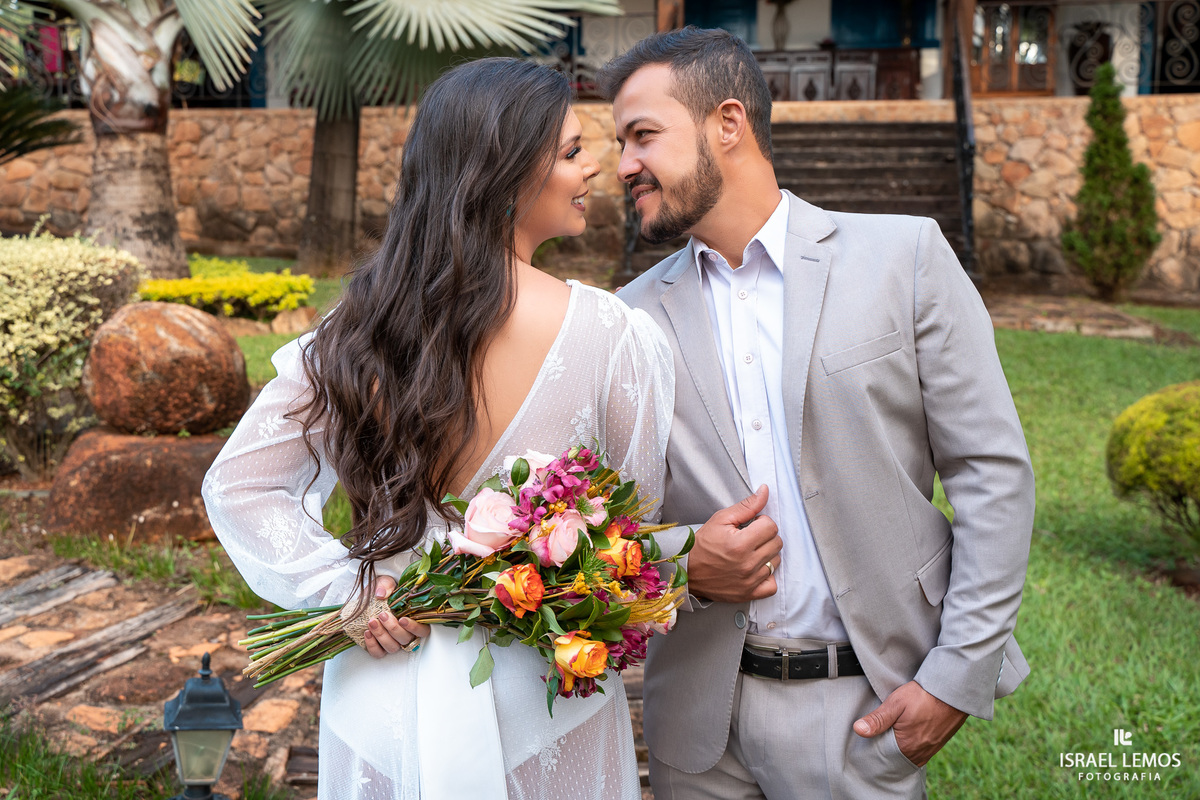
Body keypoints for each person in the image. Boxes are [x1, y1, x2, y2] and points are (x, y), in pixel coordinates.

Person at [202, 58, 677, 800]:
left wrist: (346, 591)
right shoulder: (616, 337)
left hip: (383, 681)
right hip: (542, 693)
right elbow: (633, 521)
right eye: (572, 152)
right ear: (509, 170)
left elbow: (241, 484)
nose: (599, 169)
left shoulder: (360, 329)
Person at [598, 27, 1036, 799]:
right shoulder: (626, 319)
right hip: (696, 729)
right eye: (620, 142)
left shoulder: (904, 259)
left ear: (726, 124)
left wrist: (954, 679)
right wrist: (680, 562)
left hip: (864, 711)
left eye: (643, 136)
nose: (624, 164)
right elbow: (595, 516)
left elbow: (991, 474)